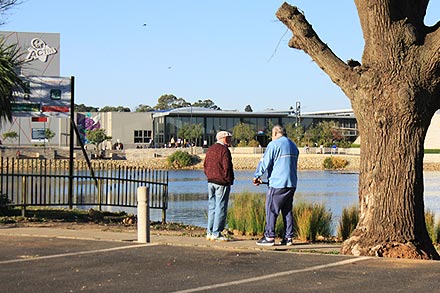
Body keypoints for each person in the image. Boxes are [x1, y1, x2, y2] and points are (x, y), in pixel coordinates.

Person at [253, 125, 299, 246]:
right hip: (291, 183)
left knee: (271, 209)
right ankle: (288, 237)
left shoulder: (274, 144)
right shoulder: (294, 146)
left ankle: (269, 237)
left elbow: (265, 161)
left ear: (274, 134)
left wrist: (257, 175)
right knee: (287, 210)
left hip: (277, 183)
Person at [203, 130, 234, 242]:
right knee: (221, 207)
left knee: (212, 207)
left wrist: (209, 175)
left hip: (210, 181)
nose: (231, 140)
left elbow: (205, 165)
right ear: (224, 139)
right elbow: (227, 167)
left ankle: (209, 232)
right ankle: (216, 233)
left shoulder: (210, 149)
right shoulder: (224, 150)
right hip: (221, 182)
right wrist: (228, 180)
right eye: (229, 138)